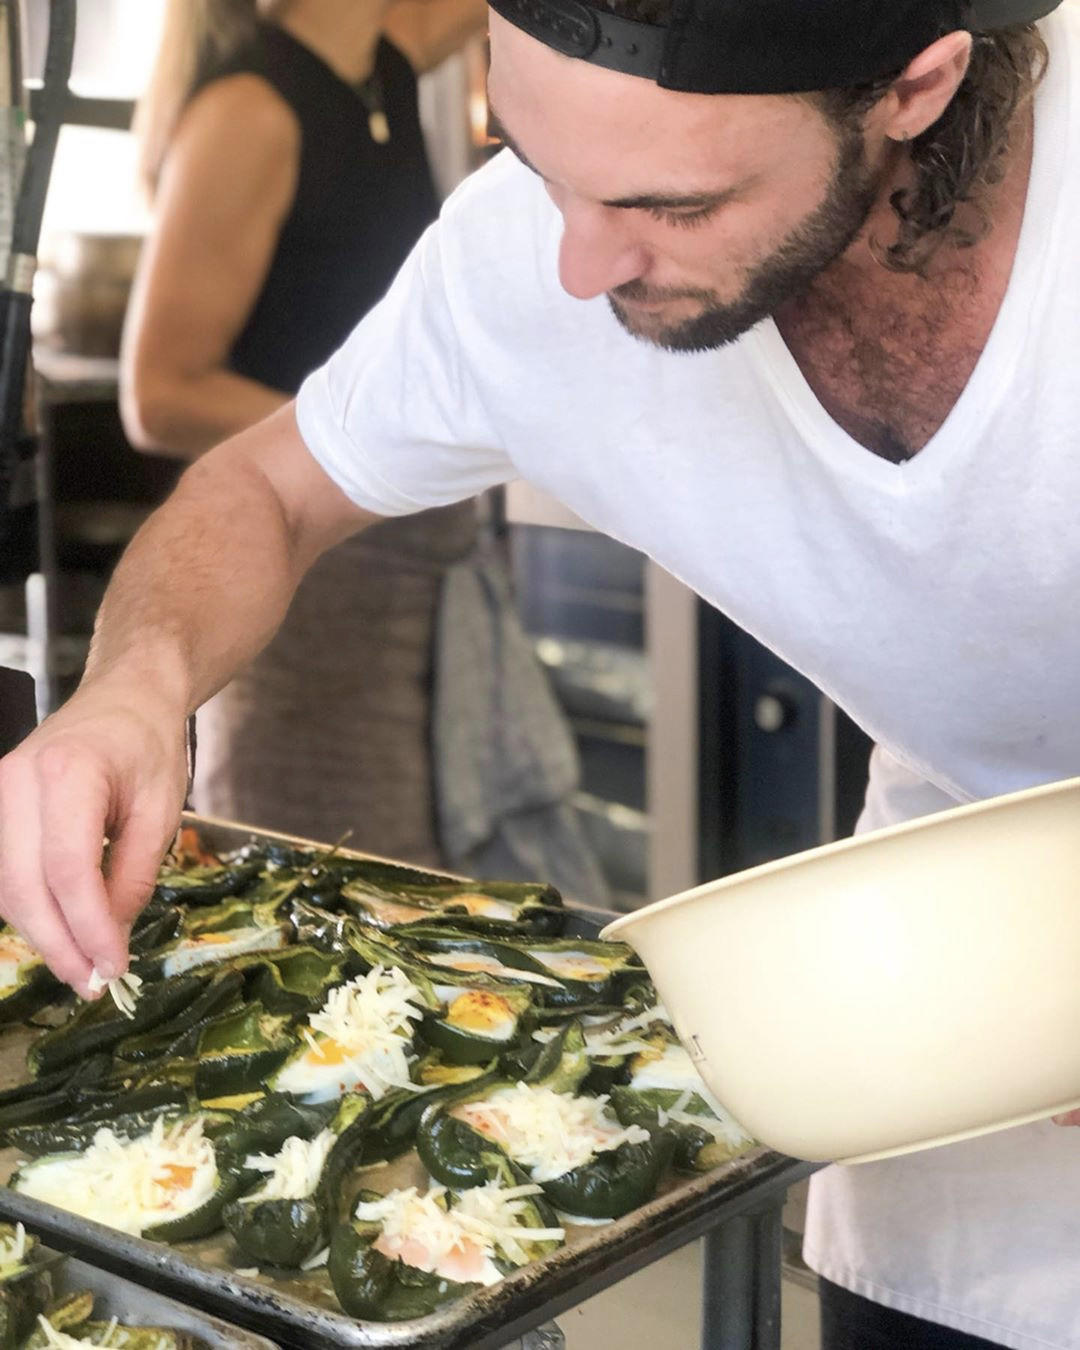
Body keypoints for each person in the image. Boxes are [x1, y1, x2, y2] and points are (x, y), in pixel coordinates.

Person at [0, 0, 1077, 1346]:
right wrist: (134, 685)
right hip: (958, 948)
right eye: (533, 160)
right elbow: (264, 488)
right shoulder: (527, 252)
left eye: (673, 205)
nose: (577, 266)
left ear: (913, 89)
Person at [120, 0, 484, 857]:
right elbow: (159, 393)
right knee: (324, 877)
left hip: (404, 569)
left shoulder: (380, 65)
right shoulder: (250, 112)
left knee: (418, 876)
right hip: (305, 583)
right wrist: (382, 432)